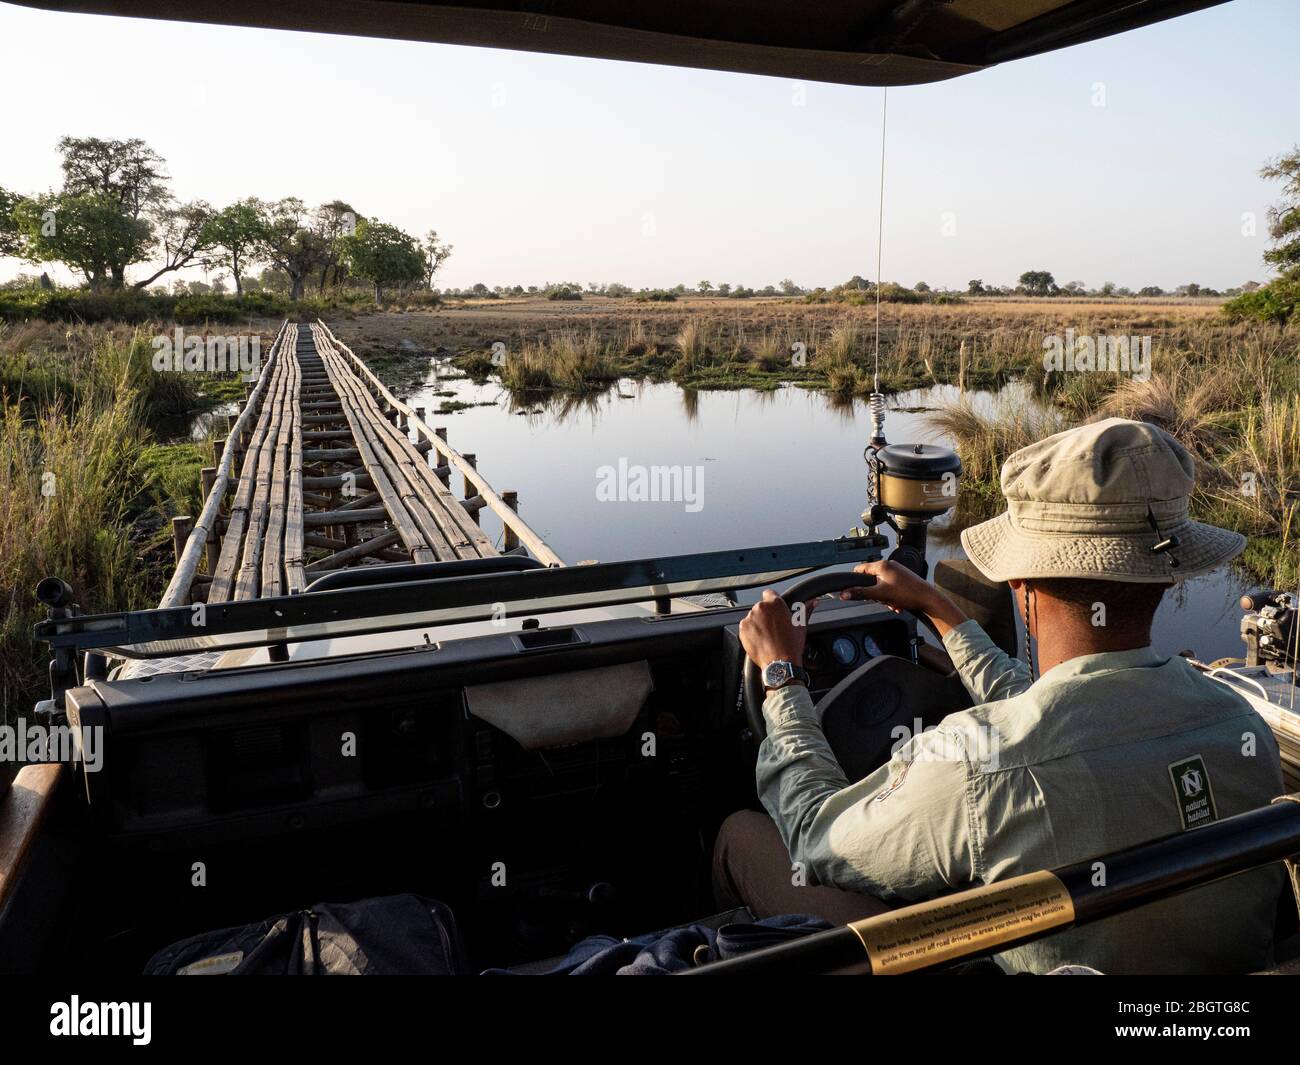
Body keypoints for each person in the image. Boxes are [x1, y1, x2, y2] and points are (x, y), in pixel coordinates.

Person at [714, 417, 1286, 973]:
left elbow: (817, 836)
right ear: (1169, 576)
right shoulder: (1239, 725)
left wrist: (782, 679)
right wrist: (942, 612)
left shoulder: (974, 765)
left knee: (738, 835)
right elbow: (1055, 708)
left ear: (1020, 584)